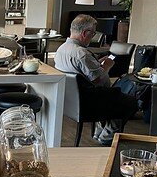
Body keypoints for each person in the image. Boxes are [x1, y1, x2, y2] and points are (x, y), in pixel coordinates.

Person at [54, 14, 137, 146]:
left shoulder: (61, 49)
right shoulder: (81, 53)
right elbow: (98, 80)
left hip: (72, 101)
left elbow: (82, 73)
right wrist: (107, 67)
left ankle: (99, 133)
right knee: (130, 102)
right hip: (90, 102)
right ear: (85, 33)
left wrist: (97, 64)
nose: (92, 36)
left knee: (116, 97)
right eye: (92, 34)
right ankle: (106, 137)